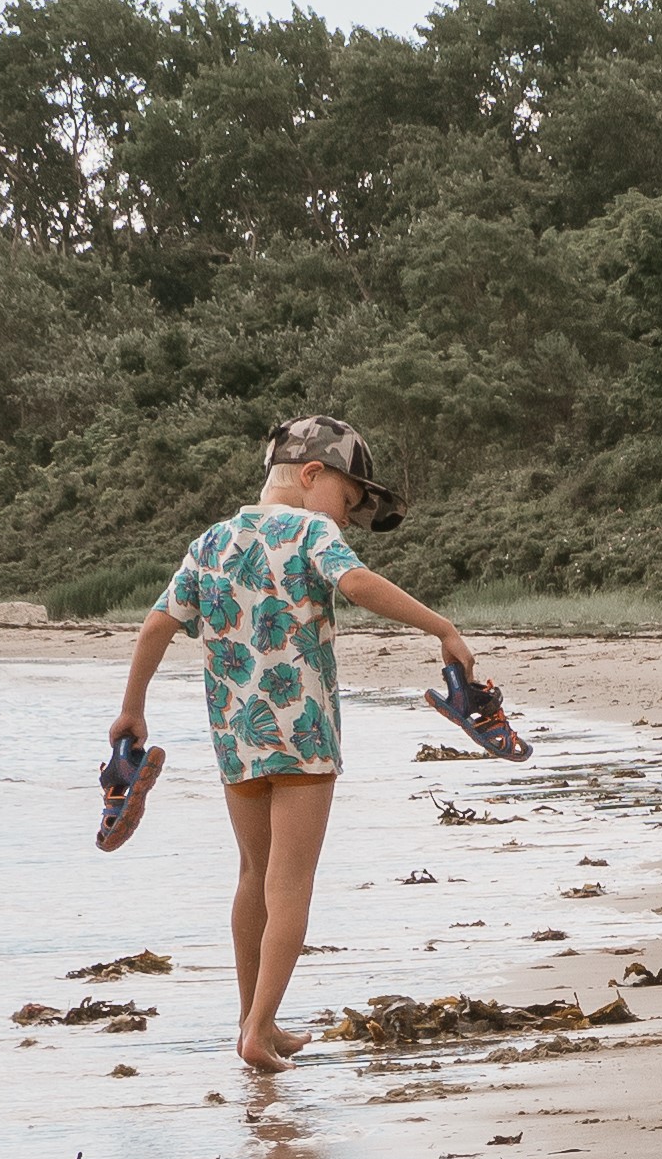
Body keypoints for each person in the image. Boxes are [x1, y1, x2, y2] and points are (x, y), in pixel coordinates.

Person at [111, 413, 479, 1074]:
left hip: (235, 739)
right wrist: (442, 626)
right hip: (303, 736)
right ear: (312, 475)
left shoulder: (210, 542)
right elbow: (357, 585)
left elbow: (155, 629)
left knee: (253, 875)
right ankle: (257, 1031)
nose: (349, 517)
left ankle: (257, 1019)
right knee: (291, 884)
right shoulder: (311, 530)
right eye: (350, 500)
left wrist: (132, 712)